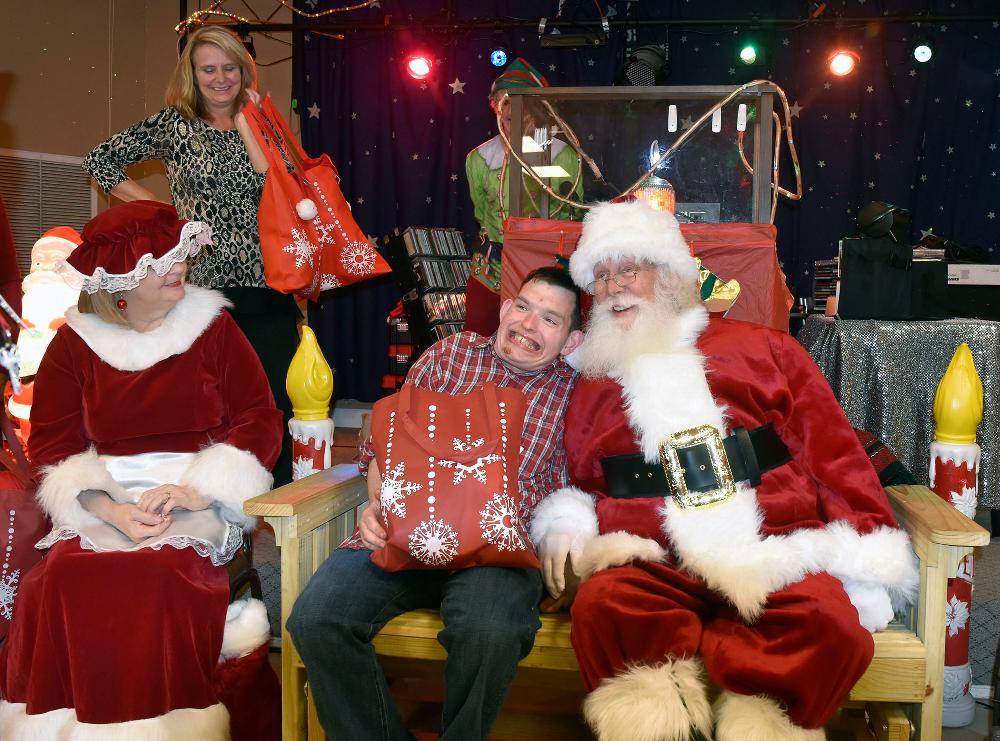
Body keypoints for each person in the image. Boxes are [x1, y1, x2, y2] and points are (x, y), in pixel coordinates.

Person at [528, 200, 919, 740]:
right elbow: (580, 479)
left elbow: (832, 452)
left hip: (773, 543)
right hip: (650, 553)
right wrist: (567, 521)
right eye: (601, 276)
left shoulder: (765, 348)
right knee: (605, 607)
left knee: (828, 624)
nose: (613, 287)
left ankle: (764, 721)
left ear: (669, 276)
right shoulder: (591, 382)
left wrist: (866, 550)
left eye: (628, 270)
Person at [0, 201, 282, 739]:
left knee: (161, 573)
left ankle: (163, 726)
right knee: (57, 578)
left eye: (179, 254)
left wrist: (199, 490)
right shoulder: (75, 343)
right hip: (105, 497)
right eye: (160, 261)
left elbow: (258, 417)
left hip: (196, 490)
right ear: (120, 282)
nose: (179, 266)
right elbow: (55, 447)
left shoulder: (214, 327)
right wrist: (109, 509)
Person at [288, 266, 584, 740]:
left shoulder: (573, 392)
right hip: (403, 534)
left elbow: (575, 490)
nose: (528, 325)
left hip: (497, 553)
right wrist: (377, 505)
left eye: (550, 320)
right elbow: (384, 446)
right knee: (316, 619)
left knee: (491, 631)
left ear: (570, 341)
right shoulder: (449, 355)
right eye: (523, 307)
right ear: (505, 310)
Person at [82, 25, 298, 486]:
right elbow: (100, 160)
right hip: (201, 286)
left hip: (269, 282)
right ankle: (212, 499)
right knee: (213, 402)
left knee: (276, 398)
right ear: (192, 75)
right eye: (208, 69)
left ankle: (275, 504)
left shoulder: (263, 122)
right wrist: (162, 213)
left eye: (230, 68)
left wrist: (251, 121)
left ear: (244, 71)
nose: (220, 78)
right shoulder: (175, 123)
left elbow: (279, 183)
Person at [463, 58, 582, 336]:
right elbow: (481, 213)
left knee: (541, 339)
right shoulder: (478, 158)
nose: (510, 109)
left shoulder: (563, 155)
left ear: (536, 107)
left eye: (520, 100)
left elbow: (573, 214)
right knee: (480, 339)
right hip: (490, 274)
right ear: (494, 106)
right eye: (504, 101)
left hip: (545, 271)